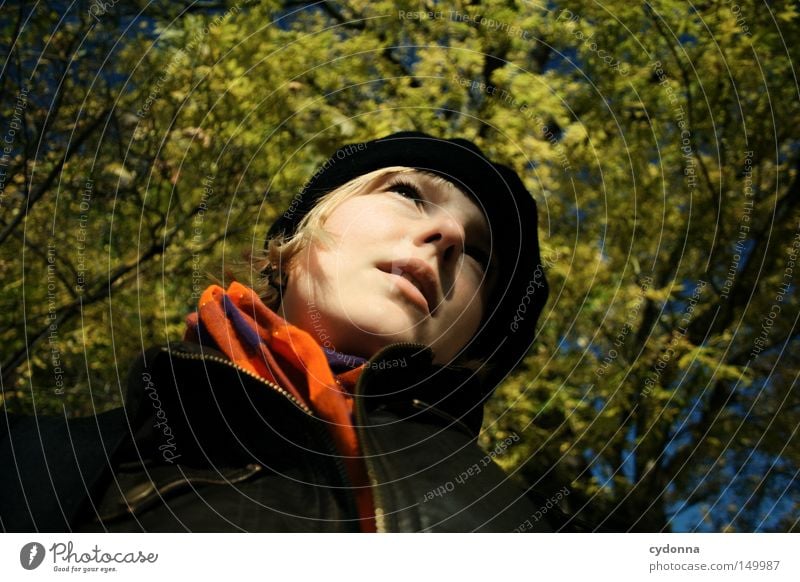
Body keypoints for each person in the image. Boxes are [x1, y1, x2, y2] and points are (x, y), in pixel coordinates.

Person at [0, 131, 552, 532]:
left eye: (479, 254)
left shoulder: (521, 533)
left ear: (471, 342)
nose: (449, 233)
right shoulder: (26, 461)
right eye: (407, 193)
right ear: (295, 241)